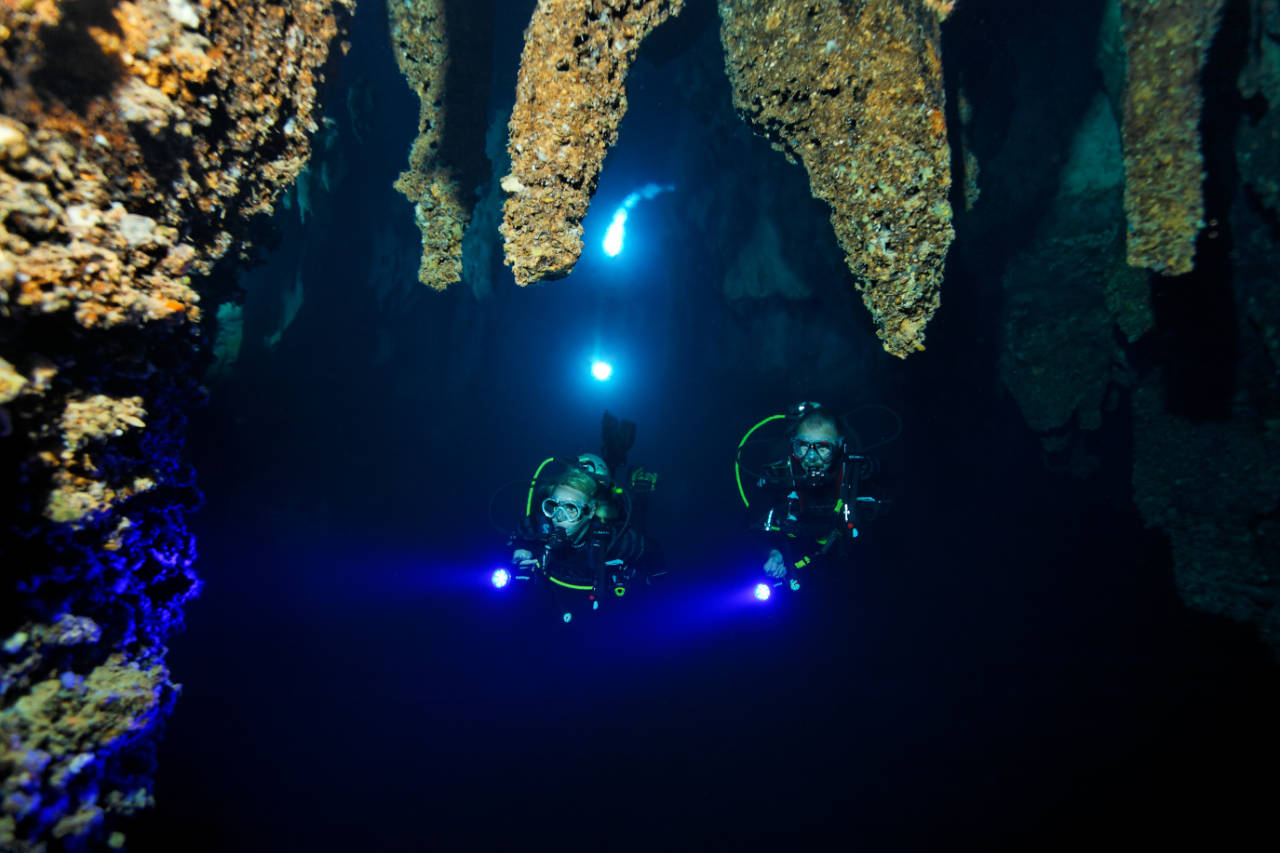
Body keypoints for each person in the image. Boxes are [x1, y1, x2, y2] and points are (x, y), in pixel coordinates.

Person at [746, 402, 870, 583]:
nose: (811, 458)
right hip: (795, 556)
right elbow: (750, 526)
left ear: (839, 446)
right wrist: (771, 551)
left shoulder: (858, 473)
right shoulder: (778, 477)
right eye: (803, 446)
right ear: (793, 445)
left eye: (823, 447)